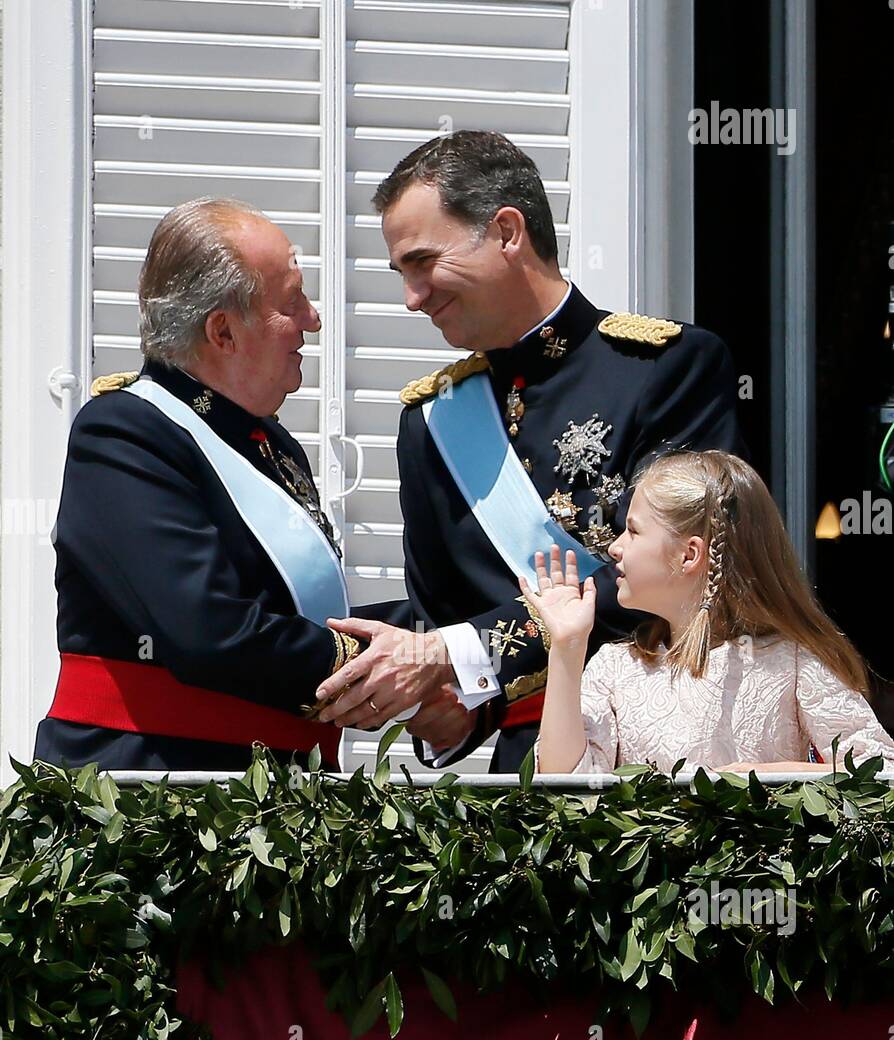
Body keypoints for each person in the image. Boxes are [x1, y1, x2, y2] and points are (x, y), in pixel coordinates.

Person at [313, 130, 748, 771]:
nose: (412, 297)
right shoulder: (431, 423)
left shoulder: (669, 367)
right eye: (402, 273)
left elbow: (689, 567)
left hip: (669, 750)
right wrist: (443, 698)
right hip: (530, 774)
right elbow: (450, 619)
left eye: (424, 262)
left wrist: (453, 655)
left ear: (508, 231)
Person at [33, 196, 466, 772]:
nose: (314, 320)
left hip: (273, 789)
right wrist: (389, 657)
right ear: (223, 332)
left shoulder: (268, 441)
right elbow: (210, 631)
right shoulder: (122, 433)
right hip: (151, 799)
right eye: (293, 303)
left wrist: (448, 635)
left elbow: (289, 618)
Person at [522, 450, 894, 776]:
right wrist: (567, 650)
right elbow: (565, 788)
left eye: (633, 532)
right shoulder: (615, 669)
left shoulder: (791, 662)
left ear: (689, 554)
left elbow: (878, 773)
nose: (615, 547)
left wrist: (766, 779)